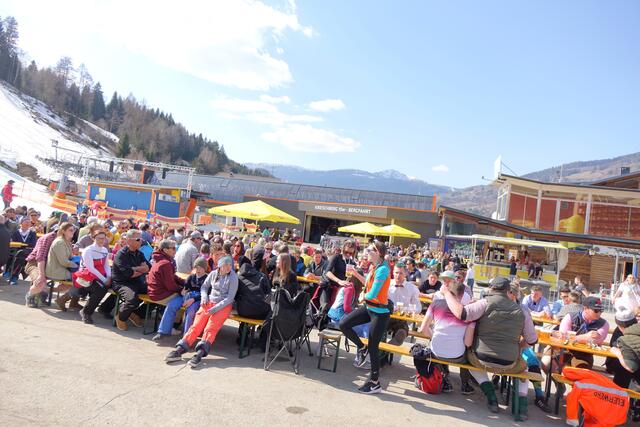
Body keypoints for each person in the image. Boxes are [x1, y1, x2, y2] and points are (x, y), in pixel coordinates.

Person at [442, 276, 537, 416]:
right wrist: (518, 346)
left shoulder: (484, 303)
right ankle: (522, 406)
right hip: (509, 362)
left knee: (469, 362)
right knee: (524, 368)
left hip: (481, 358)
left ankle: (491, 395)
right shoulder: (522, 311)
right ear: (507, 290)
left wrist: (446, 293)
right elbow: (532, 341)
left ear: (491, 289)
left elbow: (461, 313)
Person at [165, 256, 238, 368]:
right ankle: (180, 348)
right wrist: (204, 297)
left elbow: (230, 298)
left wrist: (214, 309)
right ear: (219, 266)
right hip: (209, 302)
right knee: (196, 325)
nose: (228, 267)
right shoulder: (213, 274)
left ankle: (200, 353)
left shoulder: (233, 277)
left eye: (230, 265)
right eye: (225, 265)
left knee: (210, 328)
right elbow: (204, 287)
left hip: (223, 306)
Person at [340, 240, 391, 395]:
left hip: (379, 313)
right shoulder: (374, 267)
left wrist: (362, 296)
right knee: (344, 324)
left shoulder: (383, 269)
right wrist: (356, 274)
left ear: (378, 253)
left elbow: (373, 293)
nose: (366, 252)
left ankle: (375, 383)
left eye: (369, 250)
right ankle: (362, 348)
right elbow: (369, 284)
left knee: (373, 348)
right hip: (369, 308)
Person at [417, 279, 474, 395]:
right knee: (468, 353)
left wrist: (434, 336)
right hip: (457, 356)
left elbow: (423, 329)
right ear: (462, 295)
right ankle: (465, 384)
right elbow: (468, 342)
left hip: (436, 352)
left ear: (447, 291)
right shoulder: (467, 311)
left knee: (438, 346)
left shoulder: (435, 304)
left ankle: (445, 379)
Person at [542, 297, 610, 373]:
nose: (599, 313)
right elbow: (563, 338)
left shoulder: (604, 324)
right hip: (562, 349)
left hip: (584, 354)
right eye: (596, 310)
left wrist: (572, 338)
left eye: (601, 310)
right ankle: (556, 381)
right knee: (546, 363)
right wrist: (585, 337)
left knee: (580, 372)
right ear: (586, 309)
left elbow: (596, 341)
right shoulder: (570, 317)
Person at [111, 229, 151, 331]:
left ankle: (134, 314)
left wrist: (135, 269)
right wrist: (141, 269)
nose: (141, 241)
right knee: (132, 300)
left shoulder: (139, 254)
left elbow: (149, 267)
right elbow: (128, 273)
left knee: (156, 293)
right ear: (128, 240)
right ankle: (121, 317)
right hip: (122, 283)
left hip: (137, 281)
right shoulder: (121, 254)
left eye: (141, 239)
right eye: (138, 239)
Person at [148, 240, 186, 342]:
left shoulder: (160, 259)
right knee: (184, 299)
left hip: (154, 291)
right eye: (173, 248)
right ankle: (172, 326)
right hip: (159, 294)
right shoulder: (165, 263)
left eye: (175, 248)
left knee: (181, 298)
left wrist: (184, 282)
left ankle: (167, 327)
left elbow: (173, 277)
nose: (175, 250)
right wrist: (181, 290)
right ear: (165, 250)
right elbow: (170, 285)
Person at [75, 230, 112, 324]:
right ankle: (86, 312)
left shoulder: (104, 250)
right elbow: (90, 268)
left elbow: (106, 265)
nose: (102, 240)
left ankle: (105, 309)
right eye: (99, 238)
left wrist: (109, 277)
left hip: (100, 275)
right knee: (101, 289)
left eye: (103, 238)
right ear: (93, 238)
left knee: (115, 286)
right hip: (87, 276)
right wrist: (104, 280)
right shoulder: (88, 250)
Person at [46, 223, 81, 311]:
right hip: (56, 270)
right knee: (82, 279)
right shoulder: (59, 242)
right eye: (70, 230)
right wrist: (79, 266)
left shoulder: (67, 241)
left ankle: (71, 302)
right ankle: (63, 299)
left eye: (74, 230)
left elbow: (70, 258)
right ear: (63, 231)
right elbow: (64, 262)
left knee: (83, 278)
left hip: (63, 269)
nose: (73, 232)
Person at [387, 264, 421, 346]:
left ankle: (387, 349)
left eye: (401, 273)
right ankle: (380, 350)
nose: (398, 275)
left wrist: (404, 310)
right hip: (386, 316)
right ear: (393, 272)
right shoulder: (386, 284)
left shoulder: (412, 288)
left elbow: (418, 308)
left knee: (401, 333)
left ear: (405, 274)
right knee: (377, 330)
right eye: (396, 273)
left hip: (401, 319)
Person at [235, 247, 271, 320]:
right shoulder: (262, 276)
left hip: (243, 311)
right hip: (260, 312)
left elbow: (235, 294)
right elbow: (268, 294)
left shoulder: (238, 276)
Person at [180, 256, 209, 334]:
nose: (198, 270)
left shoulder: (207, 278)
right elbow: (186, 287)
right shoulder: (192, 276)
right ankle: (169, 328)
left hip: (199, 298)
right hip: (189, 296)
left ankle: (186, 334)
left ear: (205, 268)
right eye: (196, 267)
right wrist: (183, 291)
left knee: (191, 311)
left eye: (200, 268)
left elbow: (206, 293)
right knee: (173, 304)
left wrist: (193, 299)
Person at [5, 216, 37, 284]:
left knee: (21, 256)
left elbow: (33, 244)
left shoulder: (32, 233)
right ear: (21, 223)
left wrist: (22, 245)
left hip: (27, 251)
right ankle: (8, 272)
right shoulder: (16, 232)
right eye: (26, 222)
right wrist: (25, 244)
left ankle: (14, 275)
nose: (27, 223)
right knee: (10, 254)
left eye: (29, 222)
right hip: (16, 249)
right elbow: (13, 241)